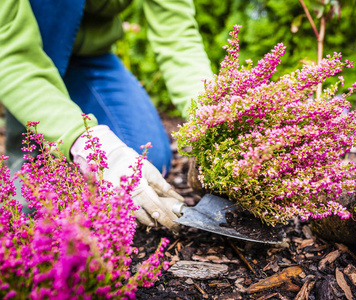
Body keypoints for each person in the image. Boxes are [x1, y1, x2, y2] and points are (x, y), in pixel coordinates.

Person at [0, 0, 213, 231]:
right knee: (38, 203)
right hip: (22, 53)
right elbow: (9, 55)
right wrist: (83, 141)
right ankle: (29, 145)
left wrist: (210, 114)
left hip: (89, 57)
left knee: (145, 162)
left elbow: (177, 34)